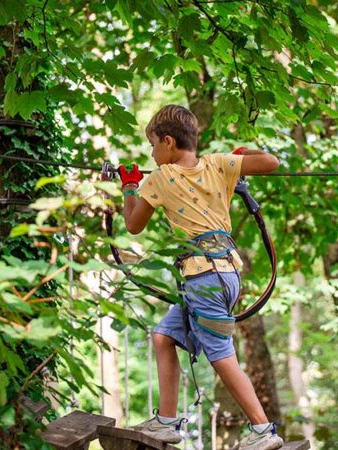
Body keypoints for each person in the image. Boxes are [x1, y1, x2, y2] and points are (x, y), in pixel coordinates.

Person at [119, 104, 283, 450]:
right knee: (164, 337)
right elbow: (271, 162)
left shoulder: (160, 179)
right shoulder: (219, 163)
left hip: (203, 279)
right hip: (224, 275)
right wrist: (243, 155)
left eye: (153, 146)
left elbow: (133, 225)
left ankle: (262, 429)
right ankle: (166, 421)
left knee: (220, 354)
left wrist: (130, 187)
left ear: (167, 142)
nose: (151, 153)